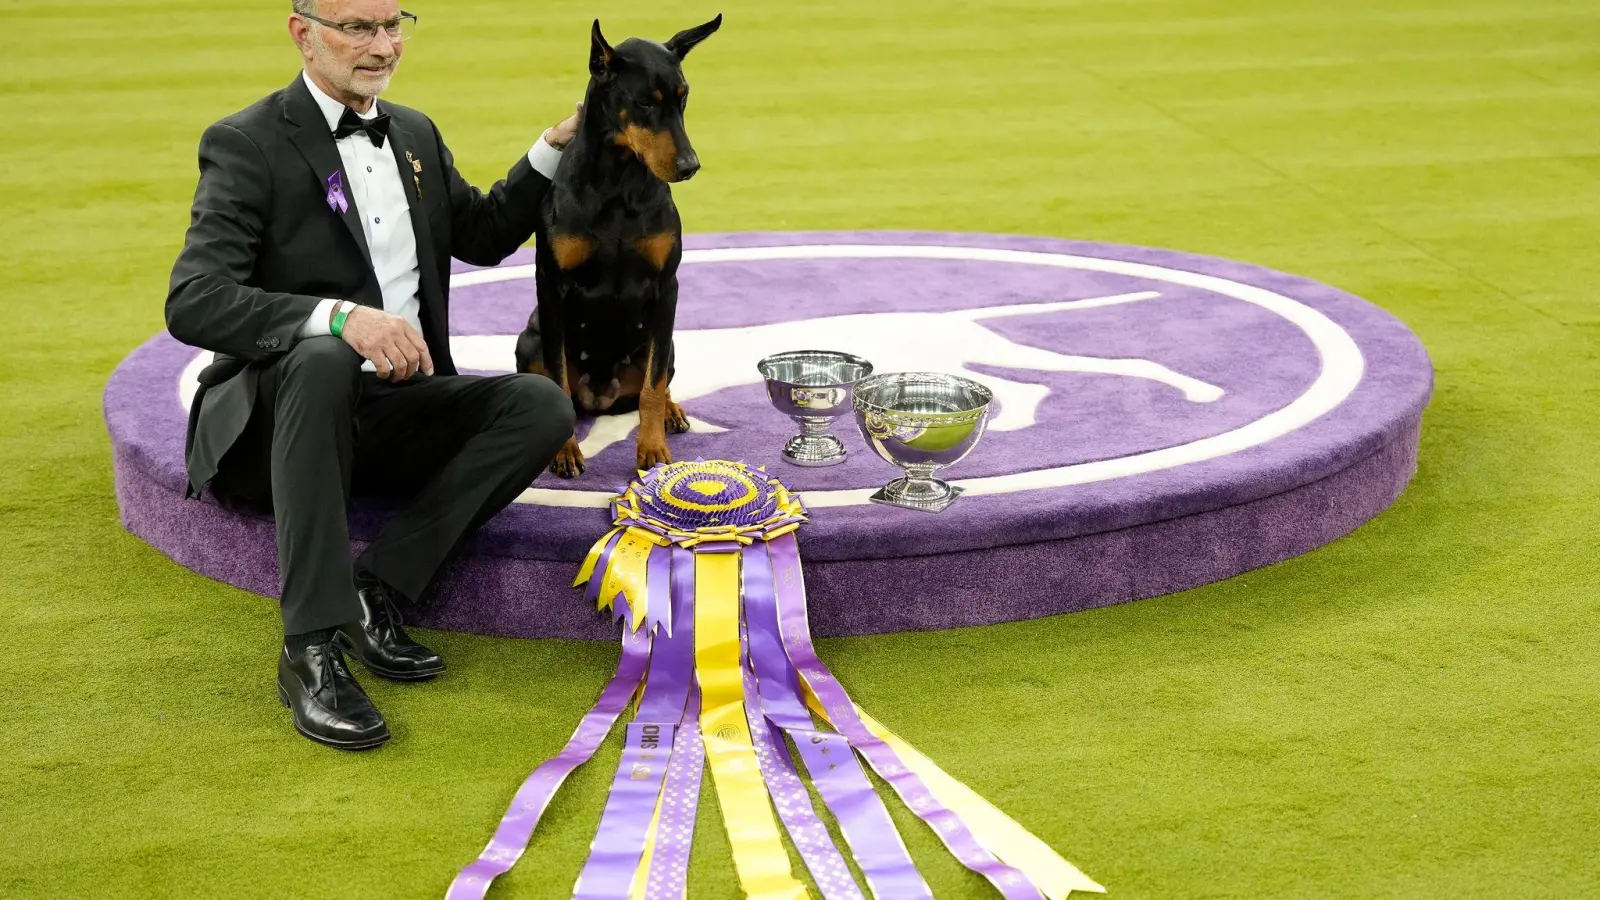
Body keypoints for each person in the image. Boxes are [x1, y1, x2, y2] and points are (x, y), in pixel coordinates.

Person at [165, 0, 580, 750]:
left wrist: (554, 146)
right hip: (276, 429)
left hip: (392, 415)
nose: (382, 46)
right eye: (358, 28)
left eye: (393, 26)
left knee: (540, 405)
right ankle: (311, 649)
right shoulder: (245, 143)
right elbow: (194, 300)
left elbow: (482, 234)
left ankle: (373, 586)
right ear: (302, 32)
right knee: (324, 354)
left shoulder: (414, 132)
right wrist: (338, 317)